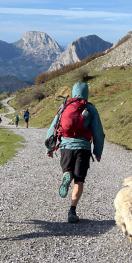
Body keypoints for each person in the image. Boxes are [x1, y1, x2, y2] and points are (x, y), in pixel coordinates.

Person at [45, 82, 105, 223]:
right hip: (83, 148)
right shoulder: (90, 108)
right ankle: (72, 211)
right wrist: (97, 152)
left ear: (73, 92)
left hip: (66, 147)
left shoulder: (64, 107)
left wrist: (49, 148)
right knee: (79, 180)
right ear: (86, 93)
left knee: (68, 170)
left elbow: (53, 127)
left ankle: (66, 176)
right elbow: (98, 133)